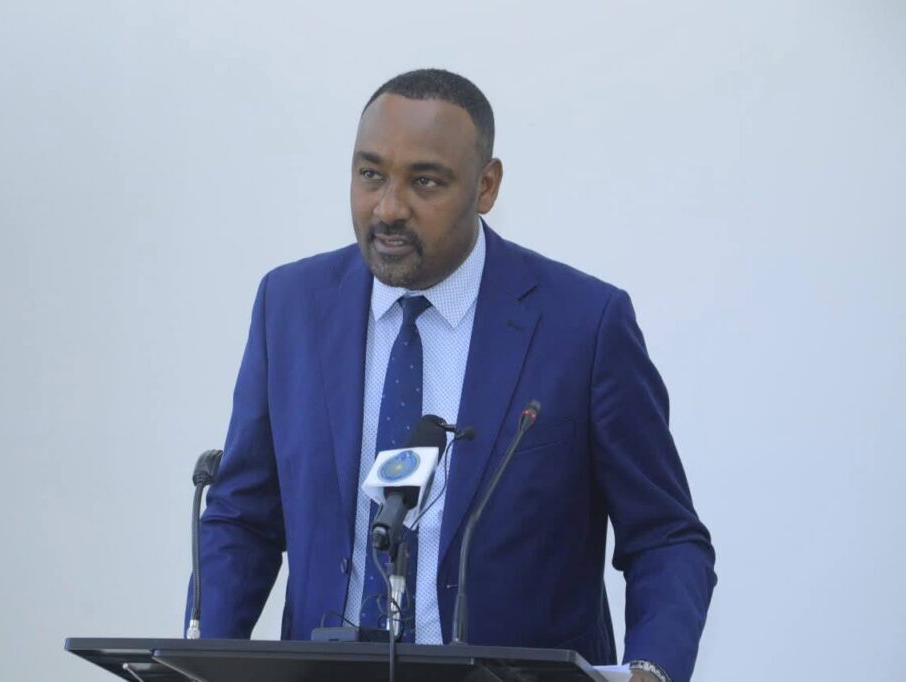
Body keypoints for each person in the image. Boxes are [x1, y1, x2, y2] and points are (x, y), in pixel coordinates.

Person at [186, 69, 716, 682]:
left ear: (486, 186)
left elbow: (666, 537)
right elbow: (243, 519)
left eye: (425, 182)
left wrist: (650, 670)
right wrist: (200, 662)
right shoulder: (291, 305)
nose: (389, 208)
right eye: (370, 174)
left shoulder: (583, 325)